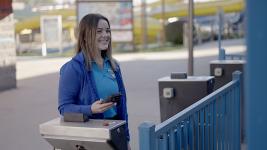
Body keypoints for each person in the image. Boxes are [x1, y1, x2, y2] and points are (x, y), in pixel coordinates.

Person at [58, 13, 130, 149]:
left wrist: (125, 139)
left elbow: (123, 108)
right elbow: (64, 108)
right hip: (90, 137)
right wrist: (90, 109)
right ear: (85, 36)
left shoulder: (114, 65)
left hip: (115, 131)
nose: (105, 35)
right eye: (99, 31)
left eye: (107, 31)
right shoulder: (73, 68)